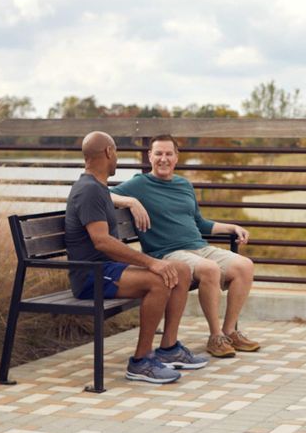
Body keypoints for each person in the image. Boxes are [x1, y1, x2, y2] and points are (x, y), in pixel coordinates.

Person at [65, 131, 208, 385]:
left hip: (108, 269)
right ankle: (141, 361)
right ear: (109, 152)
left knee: (182, 270)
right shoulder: (89, 191)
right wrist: (151, 262)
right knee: (159, 280)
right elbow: (102, 241)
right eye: (116, 152)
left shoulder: (98, 187)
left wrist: (130, 202)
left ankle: (169, 348)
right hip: (91, 276)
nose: (117, 157)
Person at [111, 134, 261, 358]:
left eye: (168, 154)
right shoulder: (139, 184)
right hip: (168, 254)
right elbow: (101, 194)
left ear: (176, 157)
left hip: (199, 247)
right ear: (150, 156)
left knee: (245, 266)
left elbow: (200, 223)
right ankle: (215, 336)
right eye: (158, 153)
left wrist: (231, 227)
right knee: (210, 269)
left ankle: (230, 331)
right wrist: (131, 201)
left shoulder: (184, 184)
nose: (163, 159)